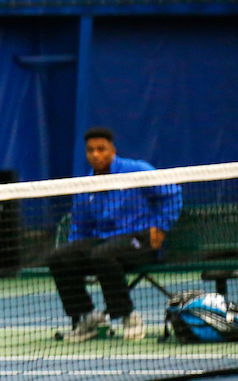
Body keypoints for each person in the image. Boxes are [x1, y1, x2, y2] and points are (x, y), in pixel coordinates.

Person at [48, 127, 183, 342]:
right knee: (59, 257)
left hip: (141, 241)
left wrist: (161, 226)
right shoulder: (86, 186)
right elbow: (80, 230)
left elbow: (173, 194)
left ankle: (129, 316)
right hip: (105, 245)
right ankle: (88, 317)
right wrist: (76, 260)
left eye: (101, 149)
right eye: (90, 150)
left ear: (112, 150)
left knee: (103, 253)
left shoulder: (135, 170)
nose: (95, 155)